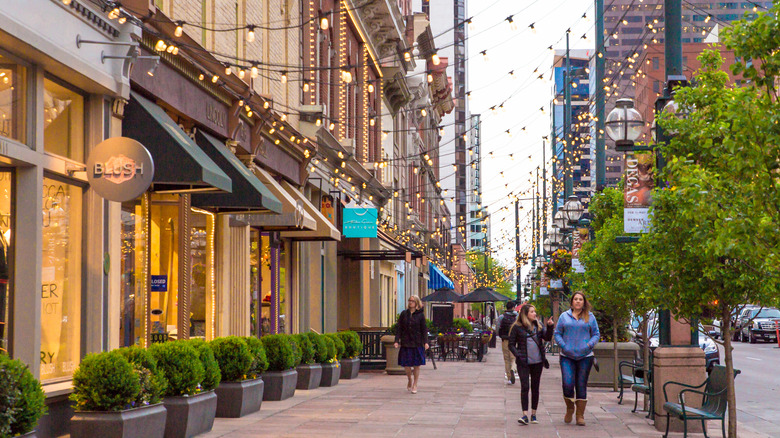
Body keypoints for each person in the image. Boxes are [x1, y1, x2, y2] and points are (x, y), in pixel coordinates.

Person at [554, 291, 600, 426]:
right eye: (576, 299)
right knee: (567, 384)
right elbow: (557, 334)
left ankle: (580, 415)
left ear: (584, 302)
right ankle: (570, 408)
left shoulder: (590, 317)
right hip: (567, 356)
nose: (578, 301)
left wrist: (589, 344)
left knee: (581, 385)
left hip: (585, 356)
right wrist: (563, 346)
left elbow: (596, 334)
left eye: (580, 299)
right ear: (572, 302)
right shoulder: (564, 317)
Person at [508, 304, 555, 425]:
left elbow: (547, 338)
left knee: (535, 387)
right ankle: (524, 415)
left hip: (538, 362)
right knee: (525, 387)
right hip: (523, 362)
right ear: (525, 314)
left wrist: (550, 327)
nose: (535, 314)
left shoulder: (539, 326)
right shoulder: (517, 327)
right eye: (532, 312)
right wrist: (518, 355)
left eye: (535, 311)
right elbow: (511, 344)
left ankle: (534, 414)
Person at [394, 295, 429, 394]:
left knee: (417, 365)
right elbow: (399, 328)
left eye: (412, 301)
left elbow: (424, 329)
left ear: (416, 303)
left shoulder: (420, 315)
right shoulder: (404, 314)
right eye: (409, 300)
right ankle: (409, 378)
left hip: (417, 342)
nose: (410, 302)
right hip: (406, 342)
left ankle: (415, 384)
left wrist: (426, 342)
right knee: (406, 364)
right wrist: (397, 340)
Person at [496, 300, 519, 384]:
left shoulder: (501, 317)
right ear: (513, 307)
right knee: (514, 357)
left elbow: (498, 328)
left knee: (506, 358)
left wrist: (500, 335)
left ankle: (509, 377)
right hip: (514, 340)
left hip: (505, 339)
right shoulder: (517, 316)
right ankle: (513, 368)